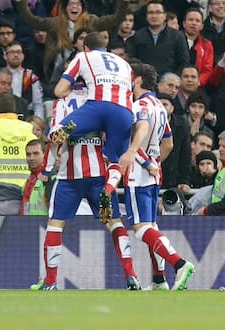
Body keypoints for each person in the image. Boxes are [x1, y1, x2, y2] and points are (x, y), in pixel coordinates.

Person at [32, 75, 139, 291]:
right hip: (98, 176)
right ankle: (131, 276)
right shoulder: (103, 103)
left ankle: (51, 282)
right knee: (114, 223)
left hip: (69, 178)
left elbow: (54, 137)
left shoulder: (62, 102)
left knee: (55, 224)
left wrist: (45, 168)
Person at [123, 63, 194, 291]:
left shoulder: (139, 106)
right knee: (151, 225)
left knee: (141, 228)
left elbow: (141, 128)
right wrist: (154, 164)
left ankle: (180, 263)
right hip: (153, 172)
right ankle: (159, 279)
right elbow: (169, 143)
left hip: (137, 172)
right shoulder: (160, 107)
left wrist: (137, 155)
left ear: (137, 81)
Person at [52, 32, 134, 200]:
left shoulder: (83, 56)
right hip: (124, 113)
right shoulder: (126, 65)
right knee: (114, 160)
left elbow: (59, 91)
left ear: (86, 47)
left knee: (58, 134)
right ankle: (109, 189)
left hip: (97, 108)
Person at [19, 139, 49, 216]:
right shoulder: (29, 180)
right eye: (28, 154)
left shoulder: (50, 179)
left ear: (45, 155)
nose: (31, 158)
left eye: (36, 153)